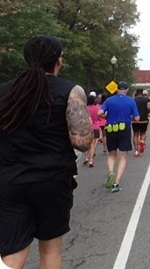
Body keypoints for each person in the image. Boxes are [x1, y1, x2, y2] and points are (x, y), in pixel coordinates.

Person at [0, 35, 93, 269]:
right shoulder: (70, 90)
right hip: (53, 179)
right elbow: (82, 140)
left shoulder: (4, 92)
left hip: (11, 180)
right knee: (50, 250)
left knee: (12, 252)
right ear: (57, 61)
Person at [98, 81, 139, 193]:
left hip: (111, 128)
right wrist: (129, 118)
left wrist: (106, 116)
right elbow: (137, 118)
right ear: (126, 90)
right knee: (123, 156)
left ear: (117, 89)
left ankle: (111, 171)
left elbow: (99, 113)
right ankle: (116, 183)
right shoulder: (131, 101)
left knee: (112, 153)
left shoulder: (109, 100)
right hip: (124, 128)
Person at [83, 91, 101, 167]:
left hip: (87, 127)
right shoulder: (96, 108)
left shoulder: (85, 108)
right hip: (95, 127)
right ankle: (91, 160)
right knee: (93, 144)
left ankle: (86, 157)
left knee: (87, 144)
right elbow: (99, 117)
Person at [132, 89, 150, 157]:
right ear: (142, 93)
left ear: (136, 93)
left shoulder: (133, 100)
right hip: (144, 118)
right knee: (143, 133)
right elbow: (149, 107)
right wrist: (148, 112)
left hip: (135, 119)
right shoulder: (146, 100)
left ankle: (136, 151)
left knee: (135, 134)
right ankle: (142, 141)